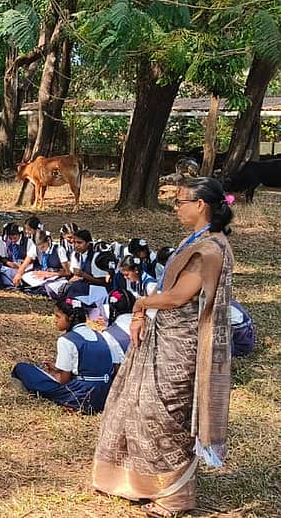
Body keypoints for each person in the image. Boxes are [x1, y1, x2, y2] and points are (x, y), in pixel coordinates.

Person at [93, 177, 235, 517]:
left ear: (200, 205)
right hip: (166, 336)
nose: (176, 208)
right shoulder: (200, 240)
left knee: (162, 413)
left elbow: (178, 296)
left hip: (181, 345)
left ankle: (176, 496)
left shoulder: (210, 249)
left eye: (180, 201)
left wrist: (140, 303)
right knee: (139, 406)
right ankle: (142, 482)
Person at [11, 298, 116, 414]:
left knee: (22, 368)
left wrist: (52, 373)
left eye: (58, 316)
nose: (55, 320)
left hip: (81, 394)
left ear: (70, 318)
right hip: (104, 394)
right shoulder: (100, 335)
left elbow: (63, 380)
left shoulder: (66, 340)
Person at [63, 229, 110, 317]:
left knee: (74, 287)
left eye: (79, 243)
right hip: (86, 286)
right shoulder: (78, 255)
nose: (76, 245)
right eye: (75, 243)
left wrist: (83, 275)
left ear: (88, 244)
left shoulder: (95, 257)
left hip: (98, 289)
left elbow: (103, 282)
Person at [13, 229, 71, 297]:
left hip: (56, 277)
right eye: (39, 248)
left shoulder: (59, 250)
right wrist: (18, 274)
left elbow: (67, 273)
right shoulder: (35, 248)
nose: (41, 250)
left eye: (43, 247)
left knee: (49, 287)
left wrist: (49, 274)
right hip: (42, 276)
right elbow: (25, 263)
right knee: (23, 278)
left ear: (48, 241)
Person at [0, 223, 28, 288]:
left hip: (24, 268)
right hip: (11, 267)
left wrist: (21, 266)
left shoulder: (27, 242)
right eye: (10, 236)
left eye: (14, 235)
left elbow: (31, 260)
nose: (12, 238)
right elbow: (4, 257)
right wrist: (8, 263)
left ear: (19, 234)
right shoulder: (8, 242)